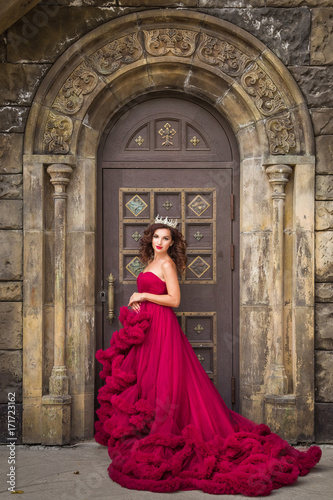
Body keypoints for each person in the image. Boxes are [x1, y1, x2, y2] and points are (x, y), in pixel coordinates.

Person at [95, 216, 321, 496]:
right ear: (150, 239)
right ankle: (150, 430)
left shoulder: (166, 264)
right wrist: (141, 303)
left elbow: (174, 300)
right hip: (147, 328)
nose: (161, 242)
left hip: (163, 326)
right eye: (157, 237)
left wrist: (142, 295)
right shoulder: (151, 262)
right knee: (147, 378)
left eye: (166, 238)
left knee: (166, 378)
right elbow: (154, 293)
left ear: (172, 242)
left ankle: (167, 433)